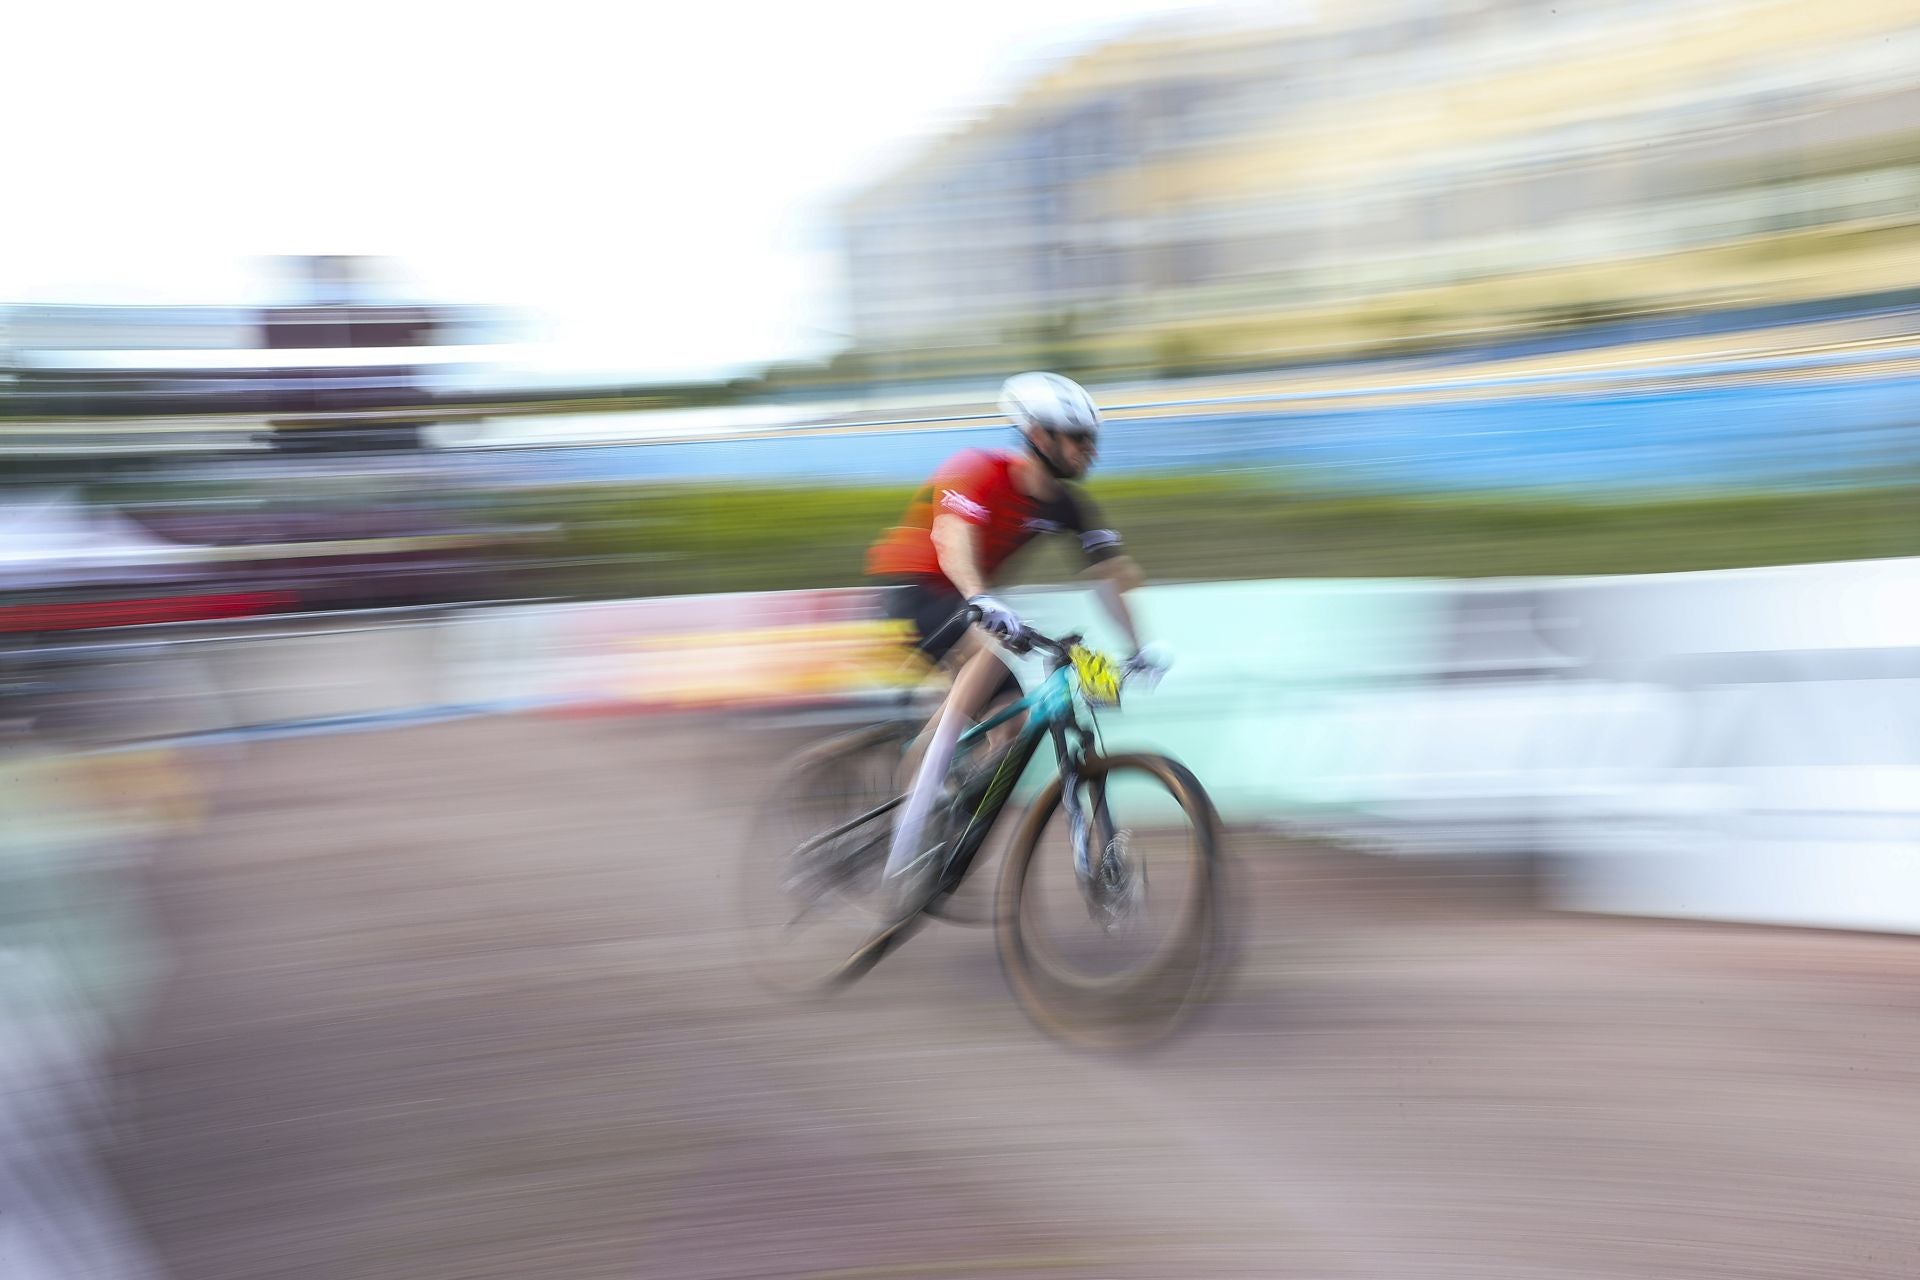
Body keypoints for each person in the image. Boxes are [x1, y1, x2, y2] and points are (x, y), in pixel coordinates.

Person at [864, 371, 1166, 921]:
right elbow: (951, 538)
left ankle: (943, 837)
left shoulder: (1067, 505)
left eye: (1092, 439)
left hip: (972, 599)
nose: (1090, 450)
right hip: (917, 587)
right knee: (986, 653)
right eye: (1078, 438)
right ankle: (909, 829)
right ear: (1039, 435)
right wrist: (981, 597)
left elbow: (1111, 575)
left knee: (1008, 726)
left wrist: (1139, 647)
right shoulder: (979, 470)